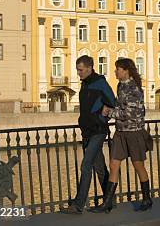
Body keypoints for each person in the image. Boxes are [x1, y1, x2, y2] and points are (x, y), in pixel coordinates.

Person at [91, 58, 153, 213]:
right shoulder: (120, 86)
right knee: (113, 165)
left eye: (117, 69)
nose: (115, 71)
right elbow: (120, 108)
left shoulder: (134, 89)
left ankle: (147, 198)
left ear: (126, 70)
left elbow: (128, 113)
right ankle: (107, 202)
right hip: (120, 132)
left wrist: (108, 112)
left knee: (138, 165)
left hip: (134, 132)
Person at [61, 55, 115, 214]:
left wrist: (102, 114)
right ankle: (109, 201)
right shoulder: (85, 84)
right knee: (99, 167)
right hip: (87, 131)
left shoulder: (100, 83)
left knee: (86, 165)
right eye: (77, 69)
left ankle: (78, 205)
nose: (78, 73)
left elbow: (113, 103)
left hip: (98, 130)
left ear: (89, 68)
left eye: (80, 70)